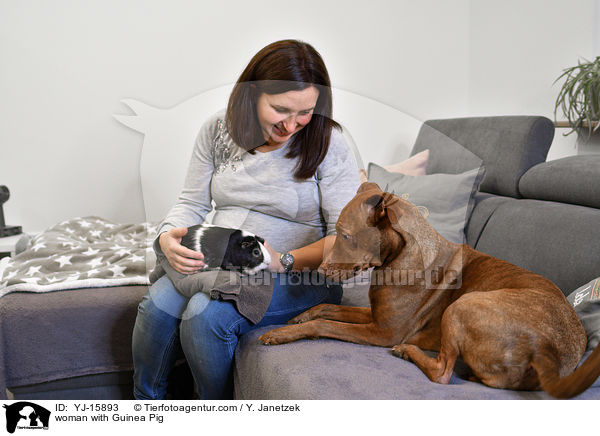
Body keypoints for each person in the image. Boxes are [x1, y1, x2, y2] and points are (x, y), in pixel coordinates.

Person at [131, 39, 360, 400]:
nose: (292, 125)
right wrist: (165, 237)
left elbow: (347, 241)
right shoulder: (217, 131)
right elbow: (190, 202)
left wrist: (280, 261)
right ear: (252, 94)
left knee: (206, 314)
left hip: (299, 276)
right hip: (221, 265)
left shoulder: (329, 143)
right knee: (158, 305)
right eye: (281, 109)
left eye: (305, 112)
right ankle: (145, 409)